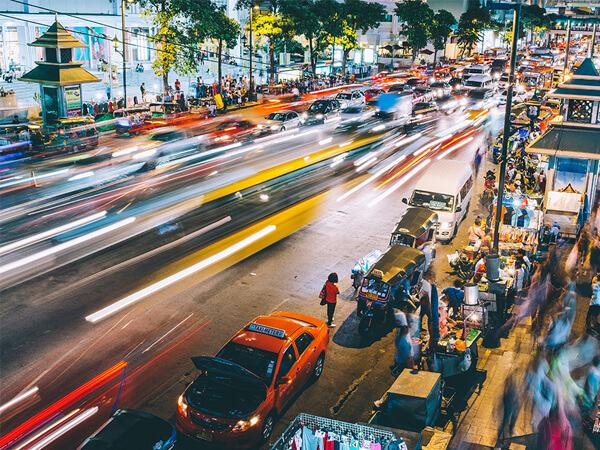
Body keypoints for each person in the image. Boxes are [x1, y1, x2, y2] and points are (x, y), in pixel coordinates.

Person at [497, 374, 522, 447]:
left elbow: (518, 400)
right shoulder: (506, 394)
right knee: (503, 426)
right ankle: (499, 443)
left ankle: (511, 430)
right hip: (507, 410)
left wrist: (518, 404)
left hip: (512, 408)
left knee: (511, 421)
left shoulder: (514, 388)